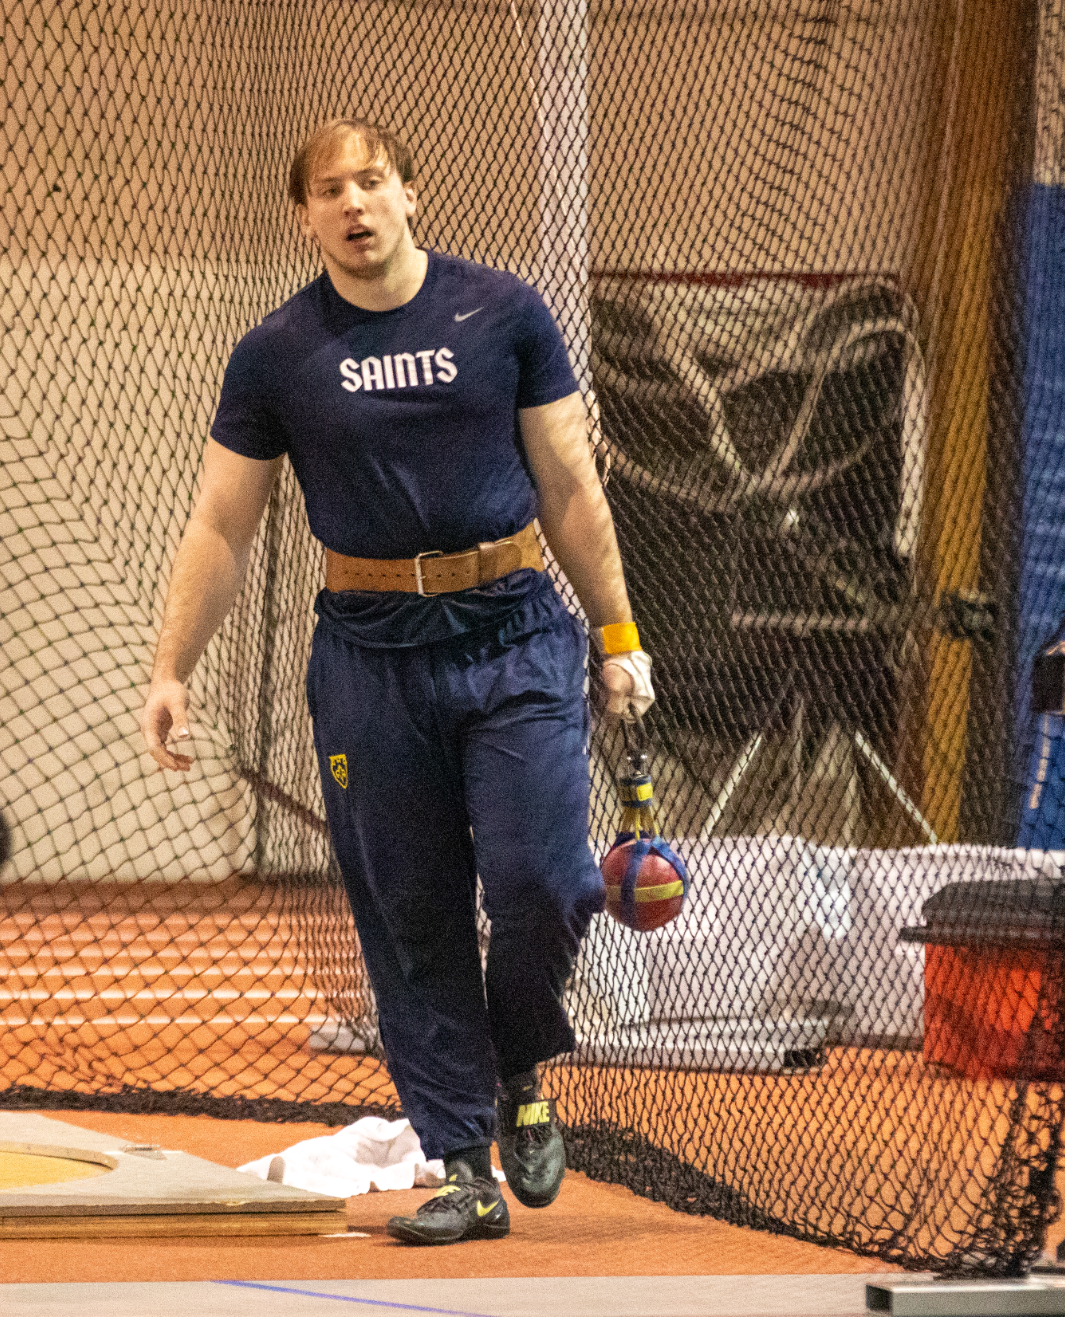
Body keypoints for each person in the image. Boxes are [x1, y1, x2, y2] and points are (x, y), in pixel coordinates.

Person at [139, 120, 655, 1245]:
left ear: (410, 193)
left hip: (512, 633)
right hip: (368, 656)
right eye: (328, 189)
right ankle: (463, 1163)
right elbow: (222, 523)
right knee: (410, 912)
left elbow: (570, 486)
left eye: (370, 181)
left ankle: (517, 1058)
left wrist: (618, 636)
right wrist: (170, 668)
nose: (353, 204)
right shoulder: (276, 353)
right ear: (305, 216)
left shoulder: (502, 313)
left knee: (547, 883)